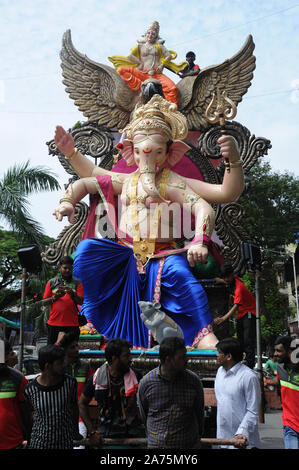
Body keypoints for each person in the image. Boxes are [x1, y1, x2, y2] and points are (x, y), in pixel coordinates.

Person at [53, 95, 244, 350]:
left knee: (188, 286)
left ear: (170, 153)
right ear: (130, 152)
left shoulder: (173, 182)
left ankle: (203, 336)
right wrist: (69, 181)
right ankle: (96, 323)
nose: (149, 160)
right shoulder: (126, 181)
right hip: (127, 253)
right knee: (87, 253)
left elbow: (219, 197)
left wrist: (233, 160)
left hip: (166, 253)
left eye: (157, 152)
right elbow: (89, 179)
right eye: (143, 152)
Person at [137, 336, 204, 449]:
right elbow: (144, 414)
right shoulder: (147, 383)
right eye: (182, 357)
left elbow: (199, 413)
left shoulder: (193, 381)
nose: (187, 360)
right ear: (168, 359)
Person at [79, 338, 144, 447]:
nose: (130, 359)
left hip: (131, 436)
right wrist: (91, 432)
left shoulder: (136, 376)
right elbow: (82, 403)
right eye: (126, 356)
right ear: (114, 358)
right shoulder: (96, 378)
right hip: (106, 436)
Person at [110, 21, 186, 105]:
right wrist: (139, 63)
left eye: (153, 34)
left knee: (173, 89)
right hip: (142, 73)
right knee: (121, 70)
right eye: (148, 33)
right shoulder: (140, 46)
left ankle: (170, 108)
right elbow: (130, 56)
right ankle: (139, 86)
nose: (150, 35)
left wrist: (162, 65)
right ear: (145, 35)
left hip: (156, 74)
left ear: (156, 36)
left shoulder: (159, 47)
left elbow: (169, 56)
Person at [24, 344, 81, 449]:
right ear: (47, 366)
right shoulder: (30, 389)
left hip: (65, 444)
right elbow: (28, 418)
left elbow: (74, 408)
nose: (64, 365)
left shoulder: (70, 383)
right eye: (60, 363)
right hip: (39, 444)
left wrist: (75, 432)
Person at [214, 337, 261, 449]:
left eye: (220, 353)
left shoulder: (248, 377)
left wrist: (242, 432)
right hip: (223, 438)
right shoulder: (220, 372)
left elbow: (252, 410)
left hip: (243, 441)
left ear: (229, 356)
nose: (217, 355)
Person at [214, 263, 257, 368]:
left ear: (232, 275)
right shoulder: (231, 280)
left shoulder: (239, 287)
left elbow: (236, 306)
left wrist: (223, 318)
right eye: (224, 277)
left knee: (248, 340)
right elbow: (225, 280)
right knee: (239, 340)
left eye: (228, 277)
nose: (226, 279)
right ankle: (239, 363)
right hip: (242, 313)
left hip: (250, 312)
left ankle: (250, 366)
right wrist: (220, 280)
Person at [57, 331, 93, 448]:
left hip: (80, 418)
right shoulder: (59, 368)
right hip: (61, 418)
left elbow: (91, 389)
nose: (77, 349)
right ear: (65, 350)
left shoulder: (86, 366)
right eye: (73, 347)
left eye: (77, 345)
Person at [43, 255, 84, 345]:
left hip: (72, 325)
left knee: (71, 351)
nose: (67, 270)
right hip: (54, 323)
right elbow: (44, 302)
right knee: (52, 352)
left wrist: (72, 294)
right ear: (59, 268)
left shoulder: (78, 283)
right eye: (65, 268)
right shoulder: (51, 282)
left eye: (70, 268)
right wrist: (55, 297)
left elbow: (81, 302)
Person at [268, 335, 299, 449]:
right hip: (290, 425)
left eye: (279, 351)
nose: (275, 354)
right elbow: (278, 380)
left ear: (290, 352)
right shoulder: (280, 368)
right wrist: (267, 382)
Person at [0, 340, 31, 449]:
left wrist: (29, 437)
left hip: (13, 443)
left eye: (5, 355)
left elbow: (26, 412)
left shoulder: (18, 378)